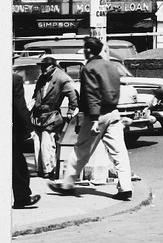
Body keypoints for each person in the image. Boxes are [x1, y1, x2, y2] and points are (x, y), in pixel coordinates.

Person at [50, 37, 133, 201]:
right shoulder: (112, 66)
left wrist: (94, 119)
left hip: (97, 115)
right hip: (113, 112)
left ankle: (67, 184)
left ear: (88, 50)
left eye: (85, 48)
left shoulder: (89, 68)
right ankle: (126, 187)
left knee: (81, 150)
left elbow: (92, 94)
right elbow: (115, 90)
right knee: (119, 152)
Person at [31, 56, 78, 179]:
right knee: (37, 141)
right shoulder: (42, 78)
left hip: (51, 115)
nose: (42, 69)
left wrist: (71, 110)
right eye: (41, 67)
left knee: (47, 142)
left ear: (53, 67)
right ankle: (40, 169)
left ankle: (49, 169)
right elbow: (35, 95)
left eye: (45, 66)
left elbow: (73, 95)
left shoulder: (62, 78)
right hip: (38, 114)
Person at [13, 71, 40, 209]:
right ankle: (22, 197)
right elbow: (20, 107)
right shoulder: (14, 79)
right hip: (8, 131)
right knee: (17, 165)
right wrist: (29, 129)